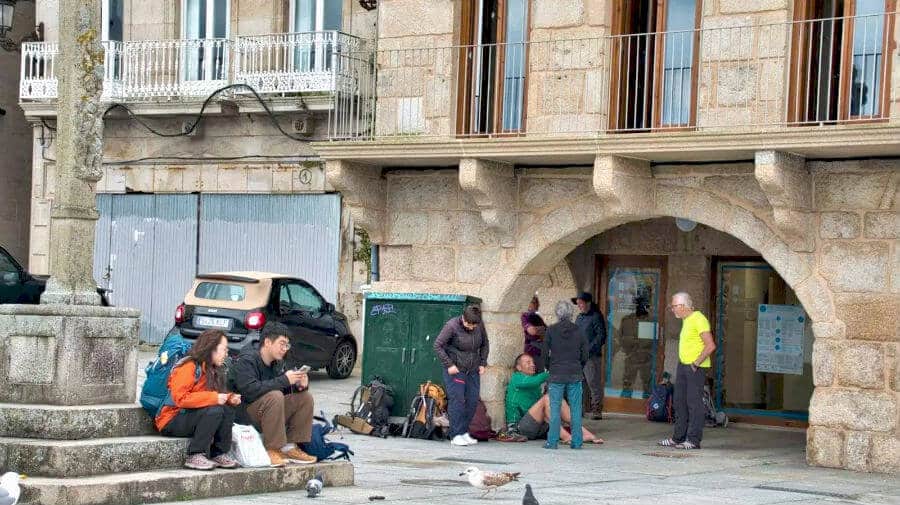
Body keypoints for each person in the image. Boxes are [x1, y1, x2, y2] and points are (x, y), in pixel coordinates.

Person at [230, 322, 317, 466]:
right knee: (275, 396)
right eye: (282, 344)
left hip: (267, 410)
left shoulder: (277, 363)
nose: (284, 349)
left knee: (304, 398)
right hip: (243, 413)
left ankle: (290, 447)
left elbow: (281, 388)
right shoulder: (247, 360)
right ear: (268, 342)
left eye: (287, 345)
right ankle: (272, 449)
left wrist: (298, 386)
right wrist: (284, 380)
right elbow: (250, 391)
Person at [156, 329, 241, 470]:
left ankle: (218, 453)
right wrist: (214, 398)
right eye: (224, 349)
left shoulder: (214, 369)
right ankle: (195, 454)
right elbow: (181, 398)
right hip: (171, 419)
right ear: (211, 348)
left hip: (193, 416)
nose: (226, 354)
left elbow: (215, 395)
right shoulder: (188, 366)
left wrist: (229, 398)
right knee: (215, 409)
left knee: (227, 408)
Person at [658, 292, 716, 450]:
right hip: (684, 365)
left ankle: (693, 440)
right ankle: (678, 438)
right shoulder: (687, 320)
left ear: (683, 306)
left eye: (674, 306)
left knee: (693, 403)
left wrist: (696, 363)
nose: (673, 309)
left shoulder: (699, 319)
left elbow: (710, 345)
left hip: (694, 367)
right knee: (679, 401)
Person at [506, 353, 603, 444]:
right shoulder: (517, 378)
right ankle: (567, 437)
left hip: (538, 426)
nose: (532, 365)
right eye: (528, 363)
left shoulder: (534, 385)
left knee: (555, 398)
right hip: (520, 429)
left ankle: (584, 433)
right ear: (519, 367)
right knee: (548, 398)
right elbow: (534, 381)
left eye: (533, 362)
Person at [434, 304, 490, 447]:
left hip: (472, 370)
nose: (471, 327)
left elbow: (485, 344)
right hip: (456, 370)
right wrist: (449, 365)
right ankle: (455, 434)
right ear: (463, 318)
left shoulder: (479, 325)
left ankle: (464, 432)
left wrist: (483, 363)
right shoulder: (451, 326)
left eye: (474, 325)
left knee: (472, 401)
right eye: (468, 324)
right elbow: (438, 345)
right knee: (458, 400)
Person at [543, 300, 589, 450]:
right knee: (575, 409)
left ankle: (552, 441)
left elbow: (544, 353)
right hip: (575, 373)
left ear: (557, 313)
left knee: (555, 408)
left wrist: (549, 366)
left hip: (556, 373)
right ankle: (577, 442)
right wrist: (579, 366)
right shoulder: (579, 330)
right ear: (571, 314)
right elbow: (585, 354)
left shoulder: (551, 330)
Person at [573, 291, 607, 420]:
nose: (579, 306)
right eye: (578, 304)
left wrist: (589, 350)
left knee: (593, 383)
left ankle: (596, 410)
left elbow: (601, 336)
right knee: (579, 384)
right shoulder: (579, 318)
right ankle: (580, 409)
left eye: (581, 303)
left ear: (588, 303)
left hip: (591, 357)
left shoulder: (596, 317)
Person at [521, 295, 547, 371]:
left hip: (540, 350)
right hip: (530, 350)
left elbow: (547, 331)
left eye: (535, 302)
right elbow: (532, 331)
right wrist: (542, 329)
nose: (534, 305)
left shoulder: (537, 316)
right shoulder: (524, 316)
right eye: (532, 302)